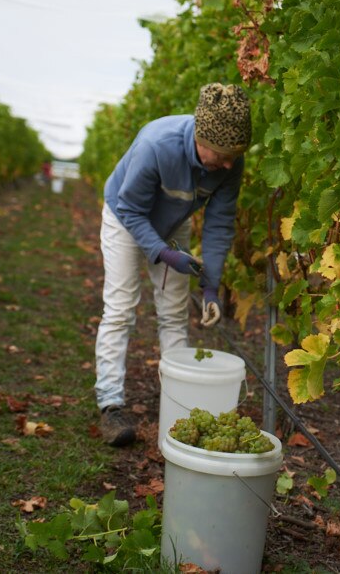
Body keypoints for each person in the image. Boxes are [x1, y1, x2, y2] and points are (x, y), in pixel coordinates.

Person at [95, 82, 252, 446]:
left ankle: (178, 405)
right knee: (120, 308)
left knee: (174, 313)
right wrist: (165, 254)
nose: (229, 164)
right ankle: (110, 405)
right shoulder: (157, 144)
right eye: (223, 155)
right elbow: (131, 209)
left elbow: (218, 224)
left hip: (172, 222)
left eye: (235, 155)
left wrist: (210, 286)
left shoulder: (231, 162)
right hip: (124, 216)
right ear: (201, 137)